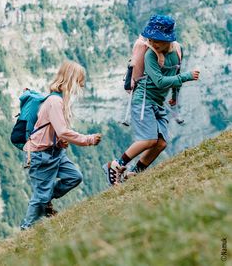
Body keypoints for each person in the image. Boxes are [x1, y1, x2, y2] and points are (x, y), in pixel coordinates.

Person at [103, 14, 200, 185]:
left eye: (158, 40)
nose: (154, 43)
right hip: (143, 101)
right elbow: (160, 81)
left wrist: (175, 97)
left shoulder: (177, 51)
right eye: (151, 39)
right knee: (148, 140)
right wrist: (187, 77)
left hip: (158, 102)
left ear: (169, 39)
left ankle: (134, 174)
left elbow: (175, 73)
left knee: (160, 143)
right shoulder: (150, 55)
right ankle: (116, 165)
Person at [20, 61, 102, 229]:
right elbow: (63, 131)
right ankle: (26, 229)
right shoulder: (55, 101)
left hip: (55, 152)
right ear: (71, 80)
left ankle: (46, 199)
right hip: (40, 155)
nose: (81, 85)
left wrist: (59, 140)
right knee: (39, 198)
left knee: (74, 177)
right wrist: (88, 139)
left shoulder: (60, 100)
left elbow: (57, 131)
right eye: (79, 81)